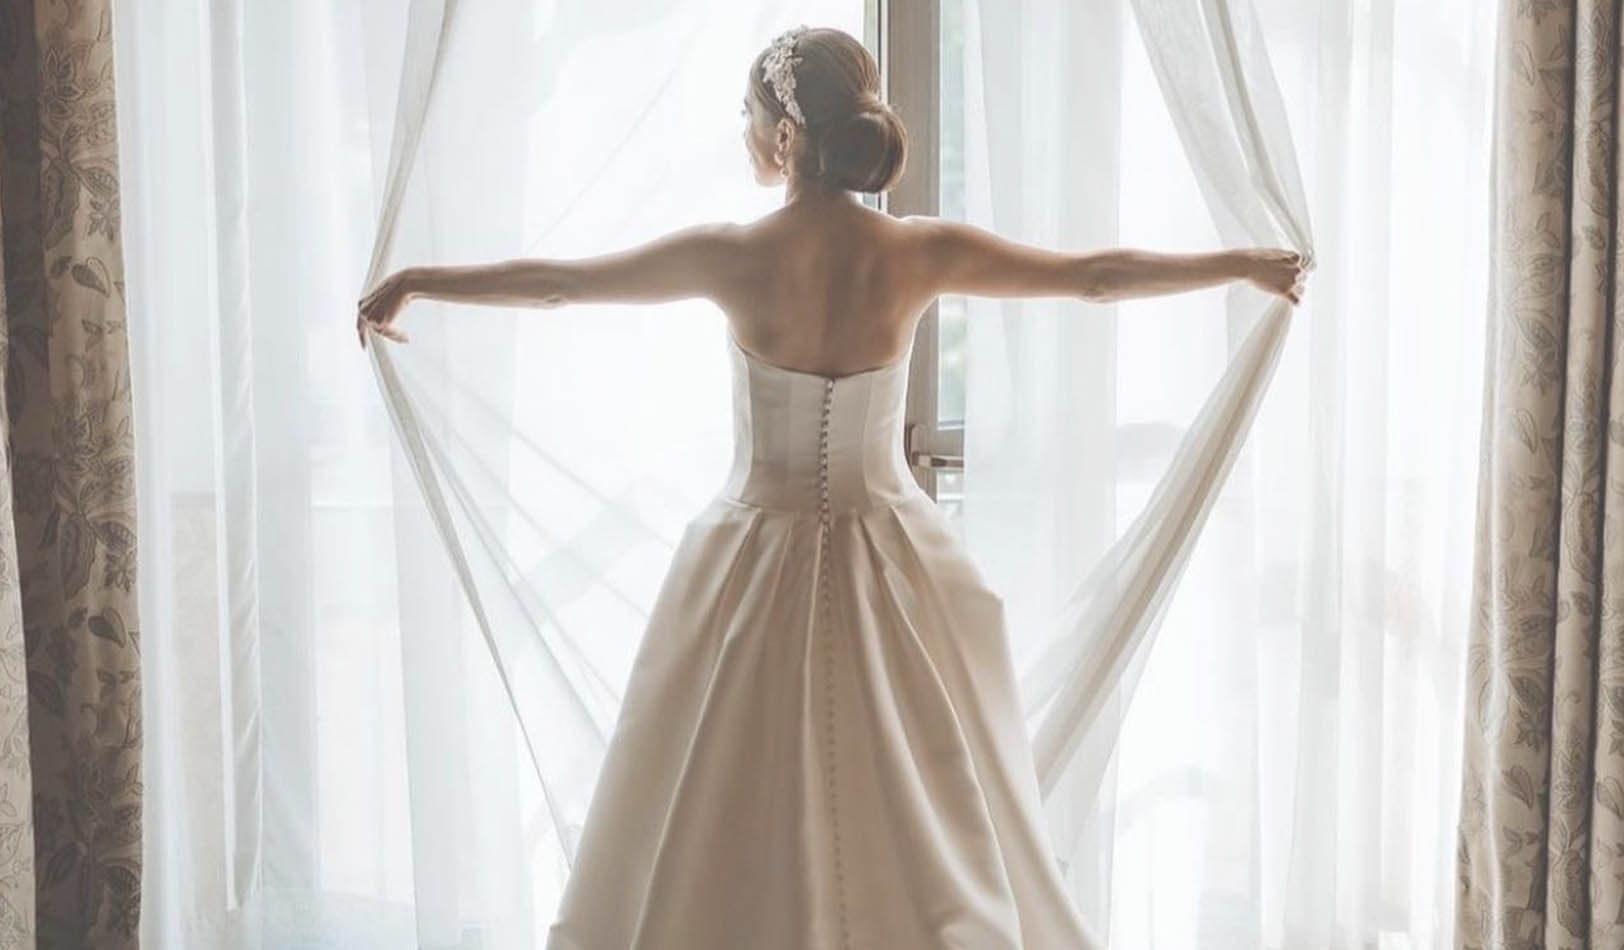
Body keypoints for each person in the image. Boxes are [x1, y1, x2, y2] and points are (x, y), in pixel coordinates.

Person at [358, 24, 1307, 950]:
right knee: (919, 783)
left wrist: (421, 280)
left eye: (745, 112)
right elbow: (1093, 278)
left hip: (750, 548)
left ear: (782, 136)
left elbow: (562, 284)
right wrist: (1239, 265)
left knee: (731, 785)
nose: (739, 129)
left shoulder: (732, 254)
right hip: (891, 549)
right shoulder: (917, 251)